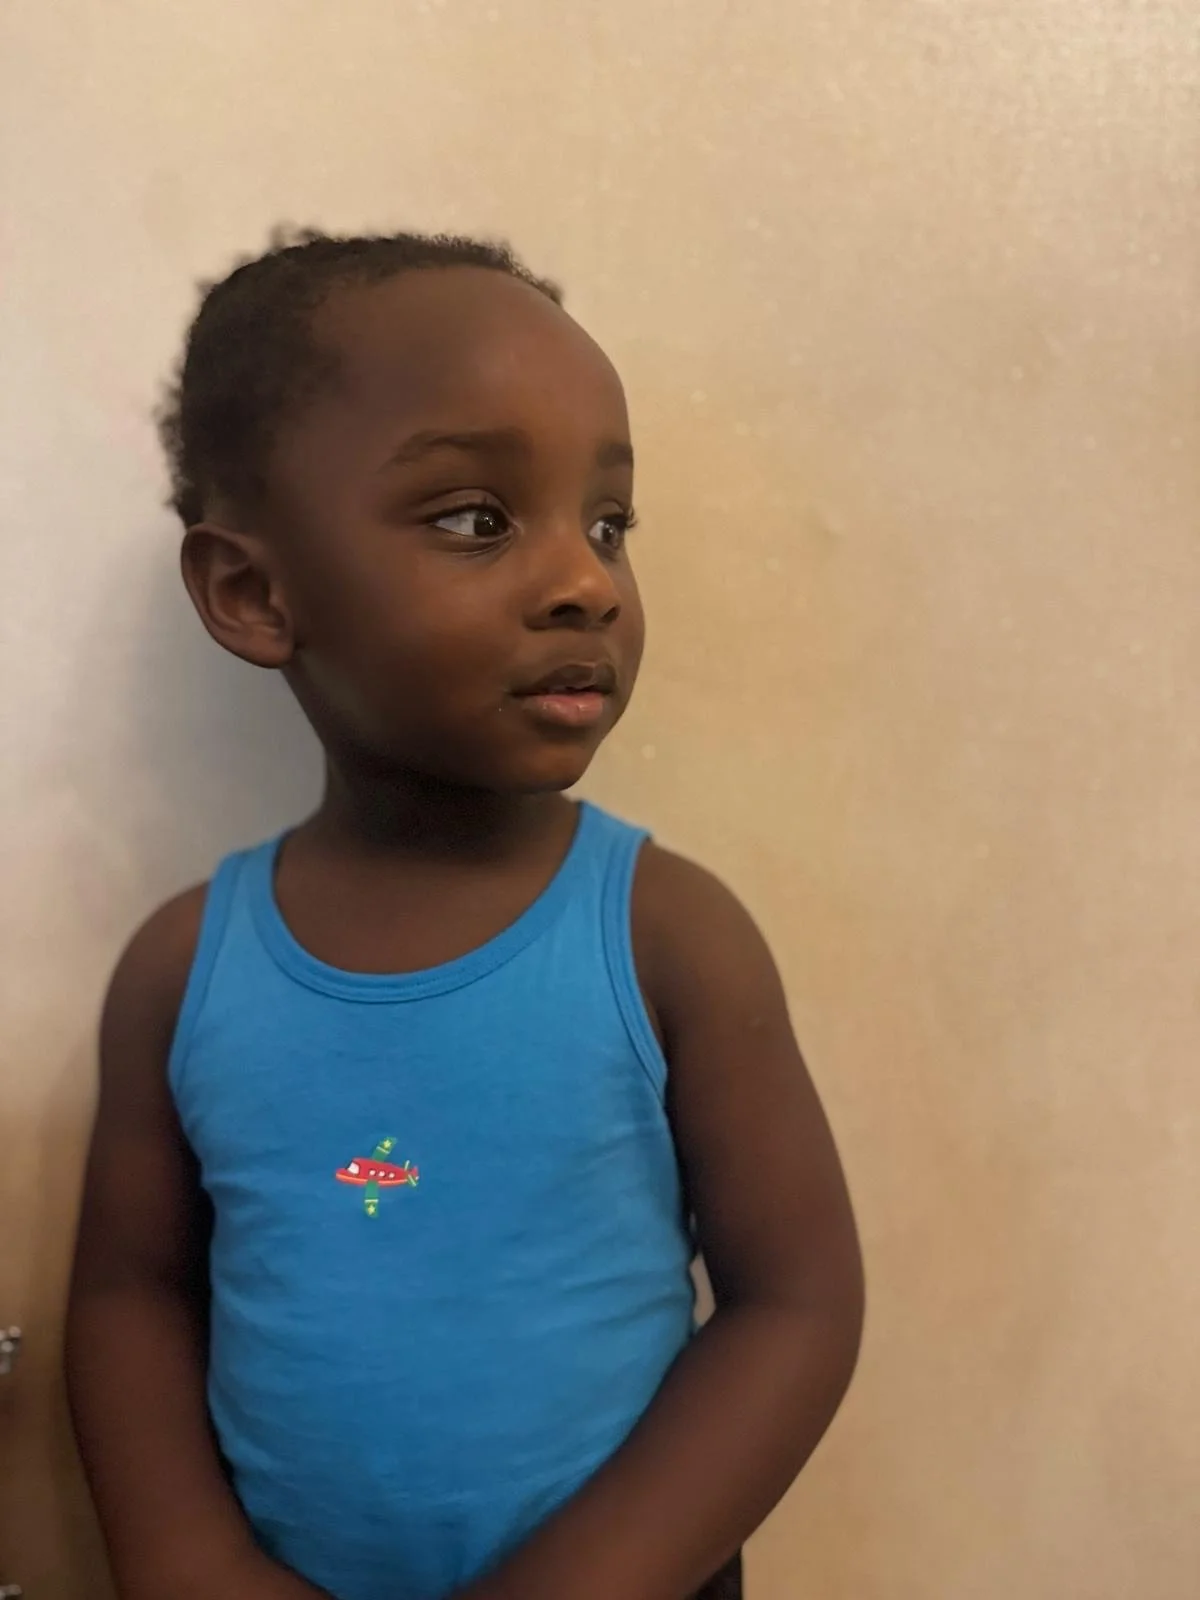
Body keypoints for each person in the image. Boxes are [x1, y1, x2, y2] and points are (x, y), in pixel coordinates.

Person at [65, 229, 864, 1600]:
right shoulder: (183, 972)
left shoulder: (668, 940)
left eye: (607, 524)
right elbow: (129, 1295)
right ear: (254, 594)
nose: (587, 581)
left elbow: (797, 1306)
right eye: (477, 520)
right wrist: (188, 1562)